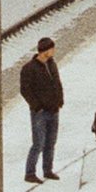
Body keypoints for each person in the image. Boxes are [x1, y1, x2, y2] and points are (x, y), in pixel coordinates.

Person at [19, 35, 64, 183]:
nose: (54, 51)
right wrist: (37, 106)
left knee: (51, 142)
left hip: (54, 109)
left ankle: (47, 169)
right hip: (40, 112)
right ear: (45, 50)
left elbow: (57, 83)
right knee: (38, 143)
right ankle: (30, 173)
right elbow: (25, 90)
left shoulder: (52, 64)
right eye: (52, 48)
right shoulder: (29, 69)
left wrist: (59, 100)